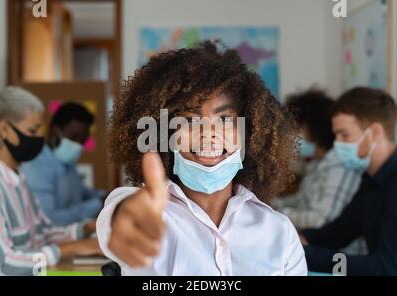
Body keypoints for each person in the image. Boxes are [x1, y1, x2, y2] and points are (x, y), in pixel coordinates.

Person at [96, 41, 307, 276]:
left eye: (225, 119)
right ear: (165, 133)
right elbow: (120, 217)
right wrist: (122, 216)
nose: (208, 133)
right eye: (189, 120)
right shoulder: (147, 213)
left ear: (251, 134)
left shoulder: (279, 232)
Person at [0, 87, 101, 276]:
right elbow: (4, 265)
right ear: (4, 129)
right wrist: (71, 249)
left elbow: (42, 233)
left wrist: (88, 228)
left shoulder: (19, 180)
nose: (39, 138)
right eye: (32, 130)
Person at [300, 87, 397, 276]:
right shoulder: (372, 179)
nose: (337, 144)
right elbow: (342, 230)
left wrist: (307, 255)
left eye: (344, 135)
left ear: (375, 132)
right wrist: (301, 237)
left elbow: (387, 269)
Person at [272, 90, 361, 230]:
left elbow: (320, 219)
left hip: (331, 248)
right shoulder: (319, 162)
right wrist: (273, 205)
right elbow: (302, 200)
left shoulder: (338, 164)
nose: (296, 134)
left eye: (300, 127)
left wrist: (279, 214)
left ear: (315, 128)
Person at [21, 102, 104, 225]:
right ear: (55, 131)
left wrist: (109, 195)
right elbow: (49, 218)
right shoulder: (36, 166)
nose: (77, 145)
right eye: (73, 137)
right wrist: (97, 204)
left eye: (82, 141)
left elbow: (80, 192)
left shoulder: (67, 163)